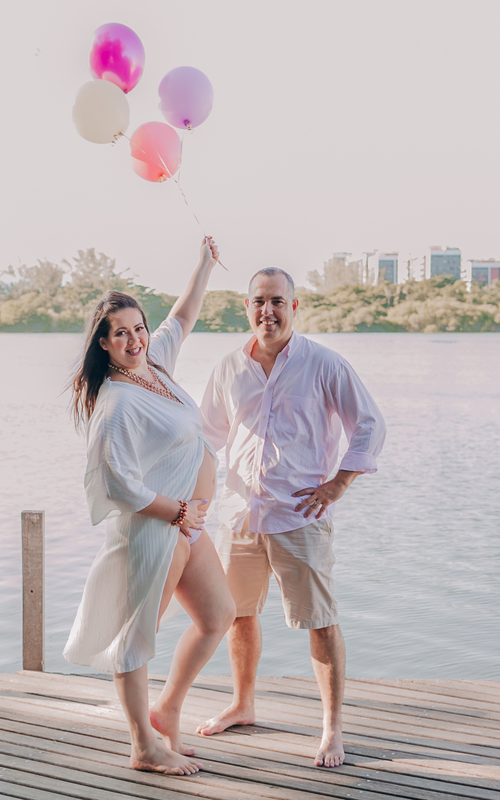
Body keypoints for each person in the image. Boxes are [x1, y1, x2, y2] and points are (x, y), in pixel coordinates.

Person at [196, 267, 385, 768]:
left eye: (278, 301)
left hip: (300, 515)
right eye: (259, 301)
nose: (268, 311)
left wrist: (339, 484)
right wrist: (184, 495)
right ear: (247, 307)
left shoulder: (324, 364)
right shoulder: (229, 368)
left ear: (294, 307)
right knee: (237, 613)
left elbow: (368, 425)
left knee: (319, 622)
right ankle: (243, 703)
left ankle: (332, 729)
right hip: (238, 514)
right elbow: (205, 437)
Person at [64, 237, 236, 777]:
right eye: (122, 333)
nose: (136, 338)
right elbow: (117, 482)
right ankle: (143, 746)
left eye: (139, 327)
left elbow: (182, 316)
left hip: (188, 526)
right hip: (157, 530)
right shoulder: (115, 402)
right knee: (135, 640)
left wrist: (204, 264)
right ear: (105, 344)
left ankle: (166, 711)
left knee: (218, 616)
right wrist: (177, 513)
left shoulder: (154, 363)